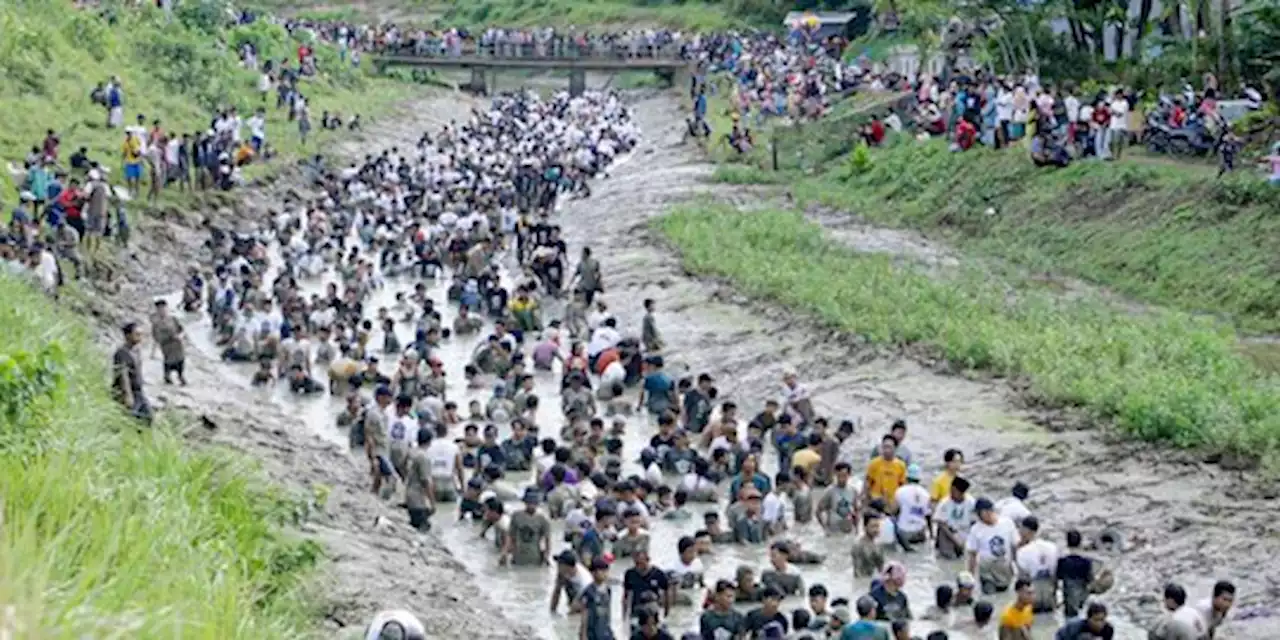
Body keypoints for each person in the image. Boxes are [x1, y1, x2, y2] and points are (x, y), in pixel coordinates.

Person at [112, 321, 151, 424]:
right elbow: (122, 376)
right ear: (128, 336)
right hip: (127, 391)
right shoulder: (121, 353)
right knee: (129, 417)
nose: (140, 337)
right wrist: (127, 395)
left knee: (147, 416)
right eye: (137, 334)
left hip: (138, 390)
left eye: (141, 334)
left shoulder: (137, 351)